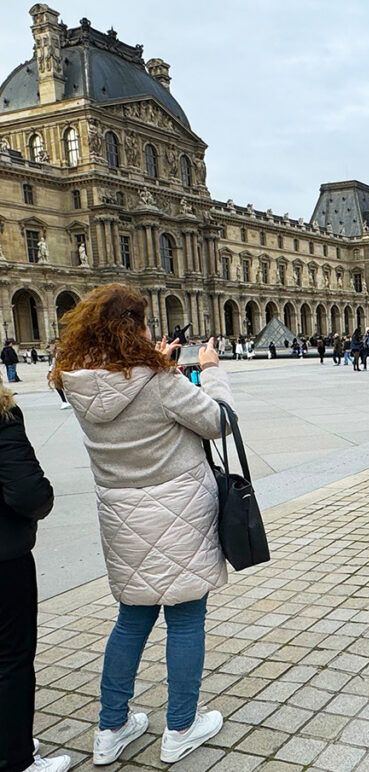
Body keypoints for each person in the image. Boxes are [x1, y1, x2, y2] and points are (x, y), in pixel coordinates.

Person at [52, 284, 230, 765]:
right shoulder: (159, 382)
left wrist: (157, 363)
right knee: (186, 618)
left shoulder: (77, 381)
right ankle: (181, 727)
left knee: (131, 620)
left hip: (121, 517)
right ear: (133, 330)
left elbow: (123, 388)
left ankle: (111, 729)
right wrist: (210, 374)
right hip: (178, 513)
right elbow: (218, 423)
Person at [0, 385, 72, 772]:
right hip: (4, 558)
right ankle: (16, 759)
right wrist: (43, 500)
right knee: (11, 658)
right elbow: (29, 494)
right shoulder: (2, 415)